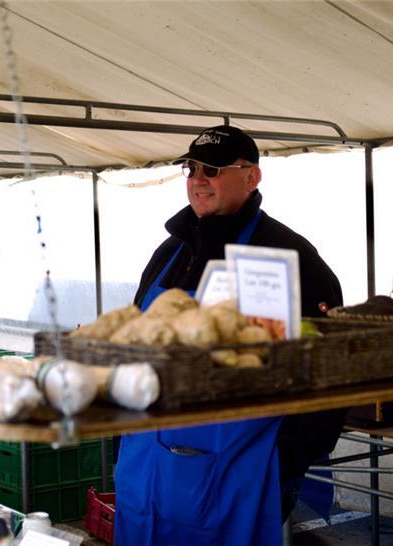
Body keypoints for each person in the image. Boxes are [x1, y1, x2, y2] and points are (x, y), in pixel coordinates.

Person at [114, 125, 346, 546]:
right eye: (192, 168)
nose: (199, 178)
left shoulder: (290, 257)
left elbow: (331, 375)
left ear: (252, 177)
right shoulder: (170, 252)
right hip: (146, 464)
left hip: (238, 471)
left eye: (215, 169)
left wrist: (280, 461)